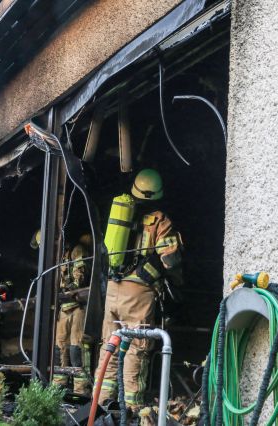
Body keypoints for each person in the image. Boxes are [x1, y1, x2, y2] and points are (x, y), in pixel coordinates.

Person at [95, 169, 182, 410]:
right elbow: (170, 259)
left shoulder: (120, 213)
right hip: (138, 293)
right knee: (136, 348)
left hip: (113, 289)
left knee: (109, 346)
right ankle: (132, 411)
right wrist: (176, 281)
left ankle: (99, 406)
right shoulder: (159, 219)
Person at [52, 233, 92, 395]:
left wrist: (68, 288)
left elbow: (80, 278)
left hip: (78, 307)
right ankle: (58, 388)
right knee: (59, 347)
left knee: (77, 348)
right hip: (63, 308)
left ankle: (80, 390)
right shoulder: (59, 257)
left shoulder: (77, 251)